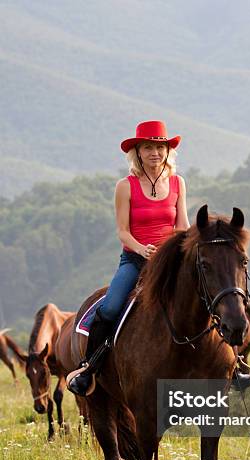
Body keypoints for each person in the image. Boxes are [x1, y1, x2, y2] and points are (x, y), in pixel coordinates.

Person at [68, 120, 189, 396]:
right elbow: (122, 232)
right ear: (137, 152)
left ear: (168, 151)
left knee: (209, 293)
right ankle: (90, 368)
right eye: (148, 147)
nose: (154, 153)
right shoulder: (126, 186)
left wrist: (180, 248)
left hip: (170, 260)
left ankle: (235, 363)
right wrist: (142, 248)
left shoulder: (178, 183)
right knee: (110, 308)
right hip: (135, 259)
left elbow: (182, 224)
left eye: (160, 147)